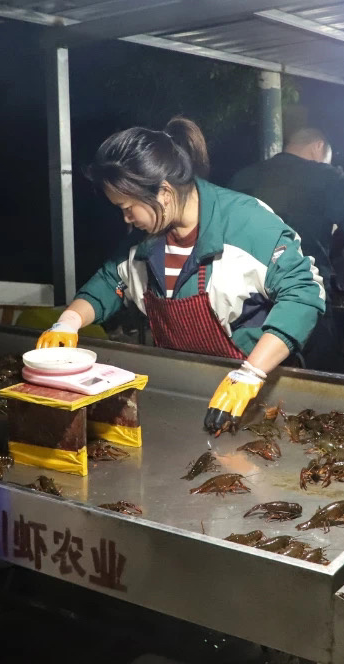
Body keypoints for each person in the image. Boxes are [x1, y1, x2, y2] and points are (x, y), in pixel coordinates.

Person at [36, 118, 326, 435]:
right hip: (184, 393)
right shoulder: (145, 239)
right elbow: (111, 281)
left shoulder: (247, 223)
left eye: (128, 207)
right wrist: (69, 321)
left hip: (259, 397)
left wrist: (251, 373)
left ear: (164, 192)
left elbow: (304, 294)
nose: (126, 218)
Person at [230, 127, 344, 298]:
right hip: (303, 292)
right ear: (318, 146)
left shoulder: (242, 178)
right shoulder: (327, 177)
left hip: (247, 295)